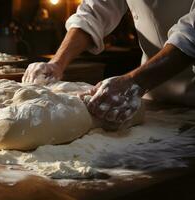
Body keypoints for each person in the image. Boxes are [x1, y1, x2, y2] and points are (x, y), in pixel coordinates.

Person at [22, 0, 195, 125]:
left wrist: (136, 81)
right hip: (152, 98)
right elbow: (94, 11)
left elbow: (191, 34)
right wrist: (57, 62)